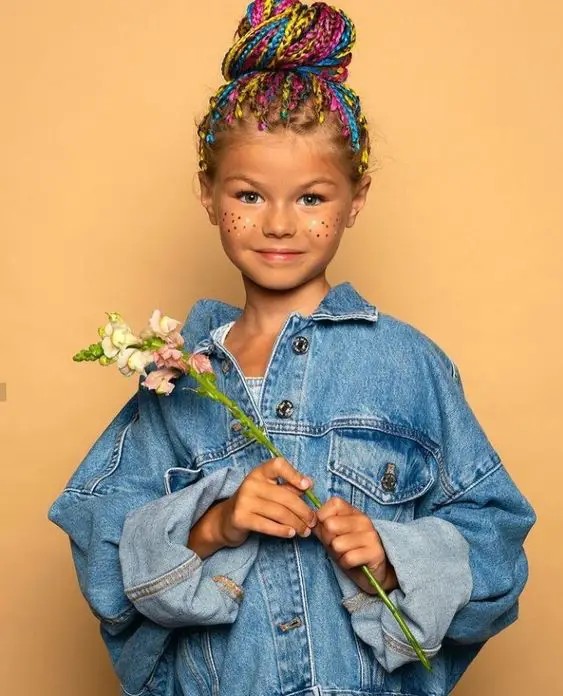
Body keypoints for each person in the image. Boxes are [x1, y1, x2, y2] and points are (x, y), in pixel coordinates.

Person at [49, 1, 535, 695]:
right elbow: (104, 563)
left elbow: (496, 538)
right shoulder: (175, 377)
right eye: (250, 194)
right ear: (209, 196)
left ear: (355, 198)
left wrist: (396, 555)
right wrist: (213, 523)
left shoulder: (408, 364)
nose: (278, 223)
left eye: (311, 198)